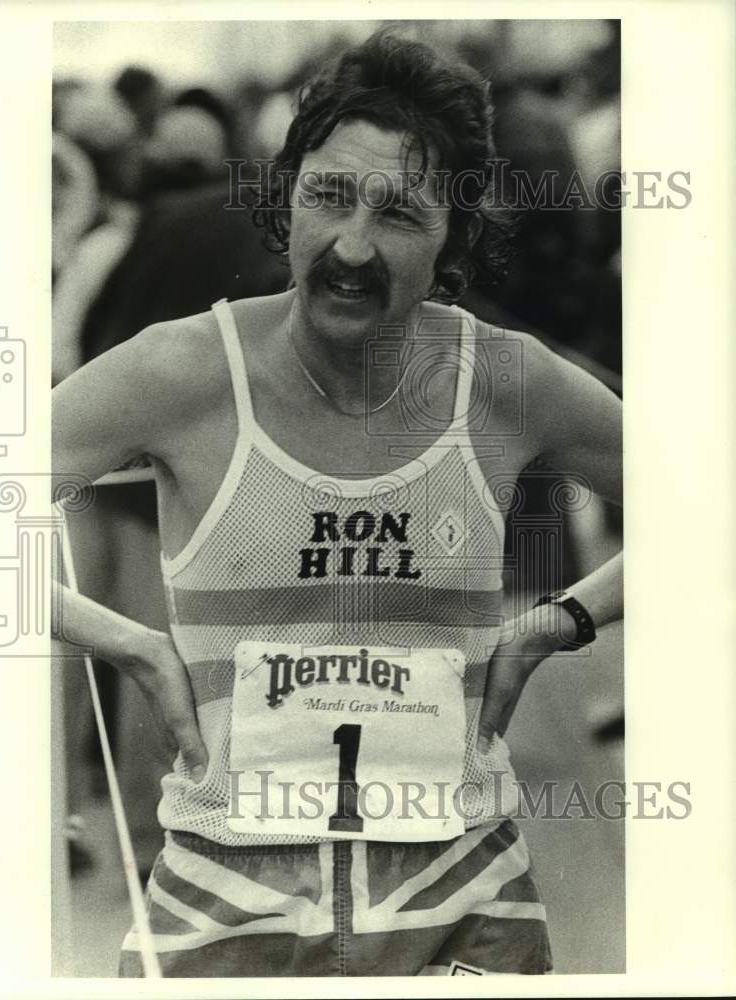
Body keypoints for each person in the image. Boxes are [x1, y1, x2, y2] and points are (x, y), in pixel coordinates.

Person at [52, 30, 622, 977]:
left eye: (400, 212)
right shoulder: (185, 369)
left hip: (463, 905)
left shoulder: (502, 380)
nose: (352, 246)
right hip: (222, 907)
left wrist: (561, 621)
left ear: (455, 233)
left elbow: (705, 498)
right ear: (285, 198)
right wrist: (127, 642)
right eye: (328, 196)